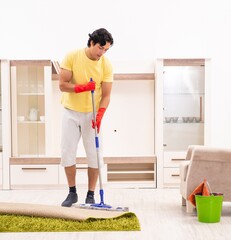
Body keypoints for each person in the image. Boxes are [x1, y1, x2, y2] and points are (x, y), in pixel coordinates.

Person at [59, 28, 114, 207]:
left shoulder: (106, 64)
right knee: (68, 153)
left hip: (92, 112)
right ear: (91, 42)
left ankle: (91, 194)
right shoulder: (72, 56)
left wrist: (100, 115)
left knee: (95, 155)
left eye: (106, 50)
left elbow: (106, 95)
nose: (102, 53)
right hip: (71, 111)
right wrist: (82, 87)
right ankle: (72, 192)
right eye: (100, 48)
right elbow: (62, 85)